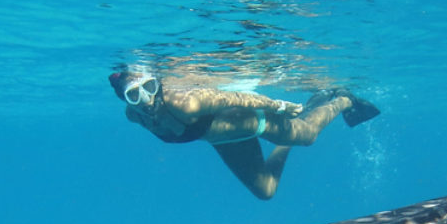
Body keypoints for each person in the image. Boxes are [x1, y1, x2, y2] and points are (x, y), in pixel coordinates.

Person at [109, 69, 380, 199]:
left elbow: (236, 97)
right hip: (225, 139)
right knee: (265, 190)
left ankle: (343, 100)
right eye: (135, 95)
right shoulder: (134, 116)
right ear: (125, 100)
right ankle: (312, 108)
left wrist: (279, 106)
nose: (146, 98)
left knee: (308, 135)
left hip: (250, 120)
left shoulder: (185, 103)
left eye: (150, 86)